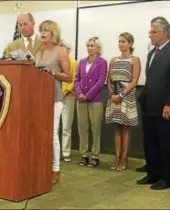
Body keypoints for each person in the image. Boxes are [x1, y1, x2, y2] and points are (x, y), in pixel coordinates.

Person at [137, 17, 170, 190]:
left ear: (164, 33)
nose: (150, 35)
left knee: (167, 143)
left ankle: (166, 179)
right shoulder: (152, 52)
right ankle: (152, 174)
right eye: (150, 31)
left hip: (166, 107)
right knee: (150, 142)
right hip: (149, 105)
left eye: (154, 31)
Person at [34, 20, 71, 184]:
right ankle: (40, 165)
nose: (42, 33)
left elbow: (69, 76)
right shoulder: (38, 53)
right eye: (41, 30)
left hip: (54, 99)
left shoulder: (60, 51)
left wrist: (53, 73)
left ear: (53, 33)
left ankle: (55, 169)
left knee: (52, 134)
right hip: (37, 99)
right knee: (39, 134)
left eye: (46, 30)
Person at [105, 32, 141, 171]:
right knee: (116, 127)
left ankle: (124, 159)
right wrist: (112, 93)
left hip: (126, 96)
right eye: (119, 41)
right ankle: (117, 156)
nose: (121, 44)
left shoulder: (135, 60)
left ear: (130, 44)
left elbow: (134, 80)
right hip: (113, 96)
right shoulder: (113, 60)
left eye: (124, 41)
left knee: (125, 127)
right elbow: (108, 79)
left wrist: (121, 94)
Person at [75, 37, 108, 168]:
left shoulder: (102, 62)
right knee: (82, 127)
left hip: (95, 100)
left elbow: (100, 82)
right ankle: (84, 154)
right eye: (88, 45)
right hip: (81, 99)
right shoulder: (82, 62)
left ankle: (95, 155)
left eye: (92, 45)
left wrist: (88, 95)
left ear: (98, 48)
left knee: (95, 128)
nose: (89, 48)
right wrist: (79, 93)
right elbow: (76, 79)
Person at [59, 40, 78, 162]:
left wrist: (65, 92)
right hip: (54, 97)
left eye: (63, 47)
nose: (60, 49)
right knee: (54, 127)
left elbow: (75, 80)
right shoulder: (56, 62)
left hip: (68, 97)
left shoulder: (73, 62)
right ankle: (54, 151)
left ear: (68, 50)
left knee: (66, 126)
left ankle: (66, 153)